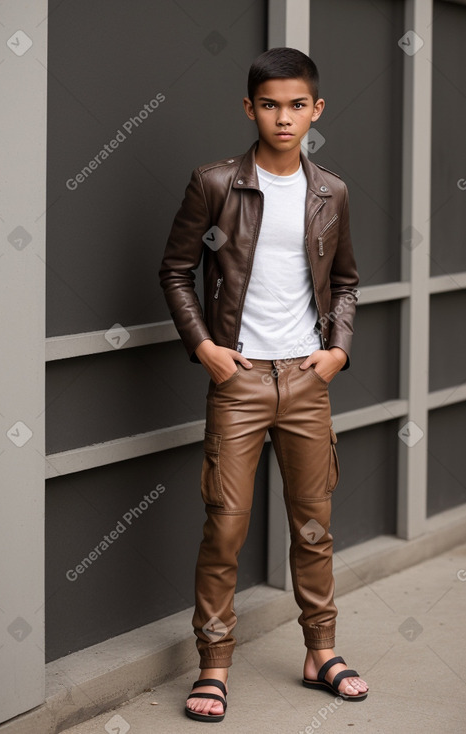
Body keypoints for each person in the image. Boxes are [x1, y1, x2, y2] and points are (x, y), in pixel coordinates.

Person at [159, 46, 368, 723]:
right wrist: (205, 349)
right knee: (225, 528)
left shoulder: (329, 190)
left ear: (316, 109)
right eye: (270, 104)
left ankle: (320, 653)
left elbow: (344, 281)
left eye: (297, 105)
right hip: (240, 379)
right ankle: (213, 665)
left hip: (307, 378)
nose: (284, 117)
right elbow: (175, 269)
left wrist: (336, 350)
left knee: (313, 527)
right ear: (249, 108)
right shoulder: (215, 183)